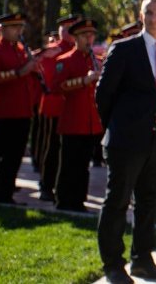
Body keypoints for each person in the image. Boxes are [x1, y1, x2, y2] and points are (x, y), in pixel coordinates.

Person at [96, 0, 156, 284]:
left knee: (149, 201)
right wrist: (117, 128)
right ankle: (112, 265)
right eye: (149, 12)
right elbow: (103, 94)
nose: (154, 17)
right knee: (117, 201)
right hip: (127, 141)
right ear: (141, 14)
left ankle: (142, 260)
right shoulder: (124, 49)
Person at [0, 12, 43, 205]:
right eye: (14, 27)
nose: (19, 31)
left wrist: (34, 70)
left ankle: (5, 193)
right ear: (2, 29)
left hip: (22, 110)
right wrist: (21, 71)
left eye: (20, 27)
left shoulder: (20, 49)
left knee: (14, 156)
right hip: (2, 111)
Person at [53, 19, 104, 212]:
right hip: (73, 120)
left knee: (83, 165)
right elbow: (57, 87)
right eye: (84, 35)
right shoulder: (65, 60)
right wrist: (85, 80)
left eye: (91, 35)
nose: (89, 39)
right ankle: (64, 201)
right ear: (75, 38)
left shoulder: (97, 61)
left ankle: (79, 200)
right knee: (69, 163)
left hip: (91, 121)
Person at [36, 14, 78, 202]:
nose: (68, 32)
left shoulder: (78, 50)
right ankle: (46, 186)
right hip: (55, 104)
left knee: (69, 150)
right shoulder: (53, 51)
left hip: (72, 106)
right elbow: (51, 79)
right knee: (52, 147)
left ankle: (64, 186)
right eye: (66, 28)